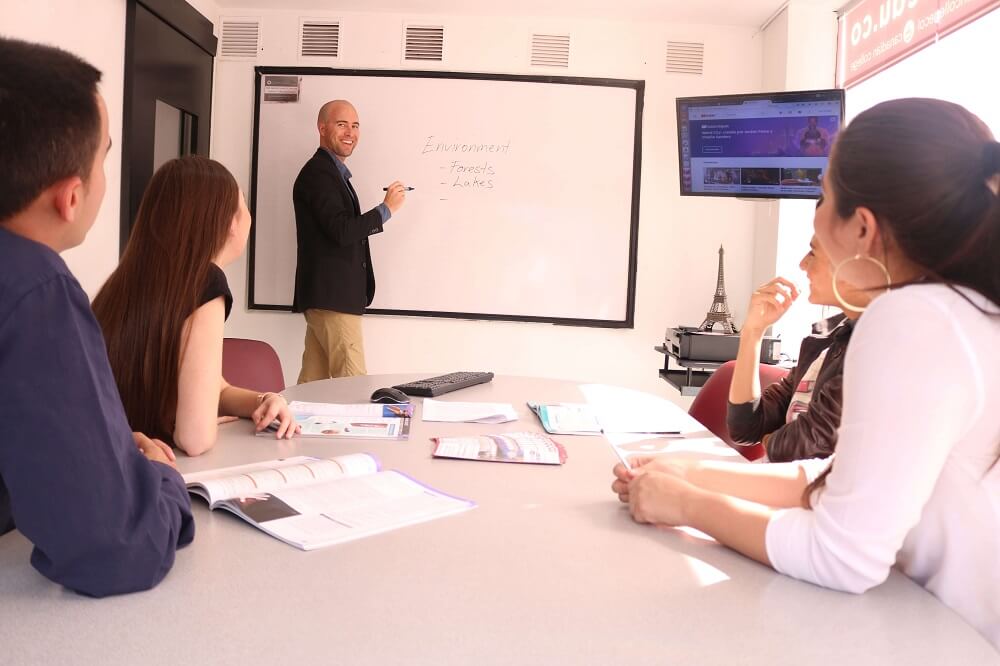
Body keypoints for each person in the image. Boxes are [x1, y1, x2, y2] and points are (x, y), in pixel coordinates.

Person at [612, 98, 1000, 648]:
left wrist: (685, 505)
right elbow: (832, 481)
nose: (814, 218)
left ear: (862, 227)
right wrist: (689, 471)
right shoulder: (963, 313)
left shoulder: (913, 319)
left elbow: (842, 556)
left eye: (823, 196)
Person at [0, 37, 194, 596]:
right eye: (105, 155)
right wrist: (162, 480)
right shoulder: (36, 290)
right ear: (71, 195)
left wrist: (92, 450)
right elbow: (114, 549)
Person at [92, 156, 300, 457]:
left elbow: (219, 389)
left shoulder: (126, 282)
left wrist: (263, 399)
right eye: (243, 204)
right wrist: (205, 422)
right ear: (230, 223)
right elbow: (195, 439)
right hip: (156, 473)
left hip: (110, 464)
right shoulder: (205, 282)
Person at [292, 99, 408, 382]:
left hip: (328, 299)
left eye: (355, 126)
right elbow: (342, 231)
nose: (350, 132)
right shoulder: (320, 174)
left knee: (312, 387)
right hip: (334, 301)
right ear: (322, 127)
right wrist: (386, 210)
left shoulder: (331, 174)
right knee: (353, 387)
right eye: (342, 124)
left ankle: (291, 426)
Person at [727, 232, 865, 462]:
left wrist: (771, 440)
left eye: (813, 252)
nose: (802, 264)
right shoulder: (824, 340)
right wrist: (752, 333)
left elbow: (810, 444)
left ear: (854, 263)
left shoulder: (871, 348)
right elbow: (746, 427)